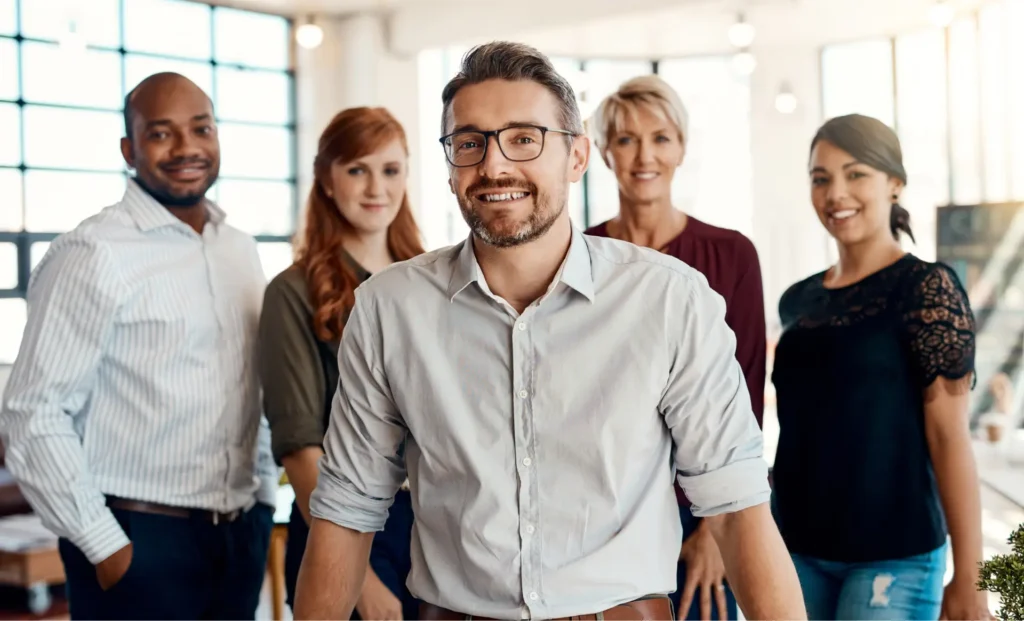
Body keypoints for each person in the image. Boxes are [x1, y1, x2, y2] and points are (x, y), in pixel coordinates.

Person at [293, 41, 806, 621]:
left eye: (523, 138)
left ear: (578, 156)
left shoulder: (669, 299)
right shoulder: (389, 308)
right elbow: (345, 511)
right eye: (470, 143)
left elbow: (738, 509)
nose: (493, 165)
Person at [0, 73, 277, 620]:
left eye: (201, 128)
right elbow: (32, 411)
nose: (186, 148)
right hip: (138, 536)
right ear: (129, 149)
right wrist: (106, 545)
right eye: (161, 133)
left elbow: (251, 386)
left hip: (239, 533)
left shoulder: (239, 249)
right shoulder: (94, 251)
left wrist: (264, 495)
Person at [771, 113, 992, 621]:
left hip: (894, 555)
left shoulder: (927, 289)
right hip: (795, 548)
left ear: (894, 183)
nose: (835, 193)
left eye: (856, 174)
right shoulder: (797, 301)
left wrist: (971, 579)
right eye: (820, 178)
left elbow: (950, 439)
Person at [586, 75, 766, 621]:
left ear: (682, 147)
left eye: (661, 138)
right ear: (601, 151)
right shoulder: (579, 258)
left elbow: (747, 395)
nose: (645, 155)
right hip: (605, 516)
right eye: (626, 139)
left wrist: (715, 529)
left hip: (702, 511)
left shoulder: (731, 254)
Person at [259, 106, 424, 620]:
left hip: (433, 530)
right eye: (357, 169)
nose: (376, 187)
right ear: (327, 180)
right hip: (344, 531)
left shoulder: (430, 280)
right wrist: (361, 580)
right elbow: (301, 450)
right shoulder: (292, 293)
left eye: (390, 170)